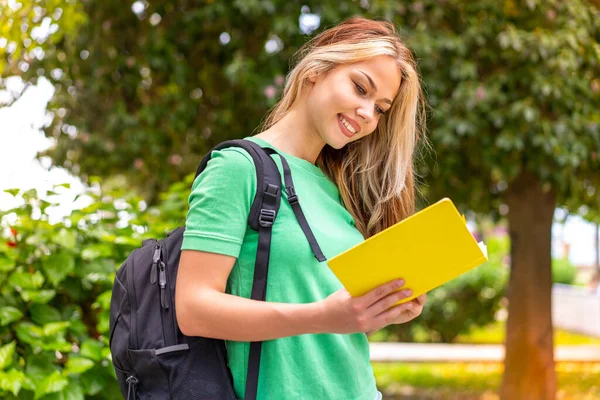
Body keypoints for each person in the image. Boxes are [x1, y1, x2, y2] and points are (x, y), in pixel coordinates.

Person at [175, 17, 428, 400]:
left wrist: (378, 311)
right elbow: (192, 308)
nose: (366, 114)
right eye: (360, 88)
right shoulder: (237, 168)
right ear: (315, 71)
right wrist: (323, 316)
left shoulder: (337, 191)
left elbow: (327, 326)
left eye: (380, 108)